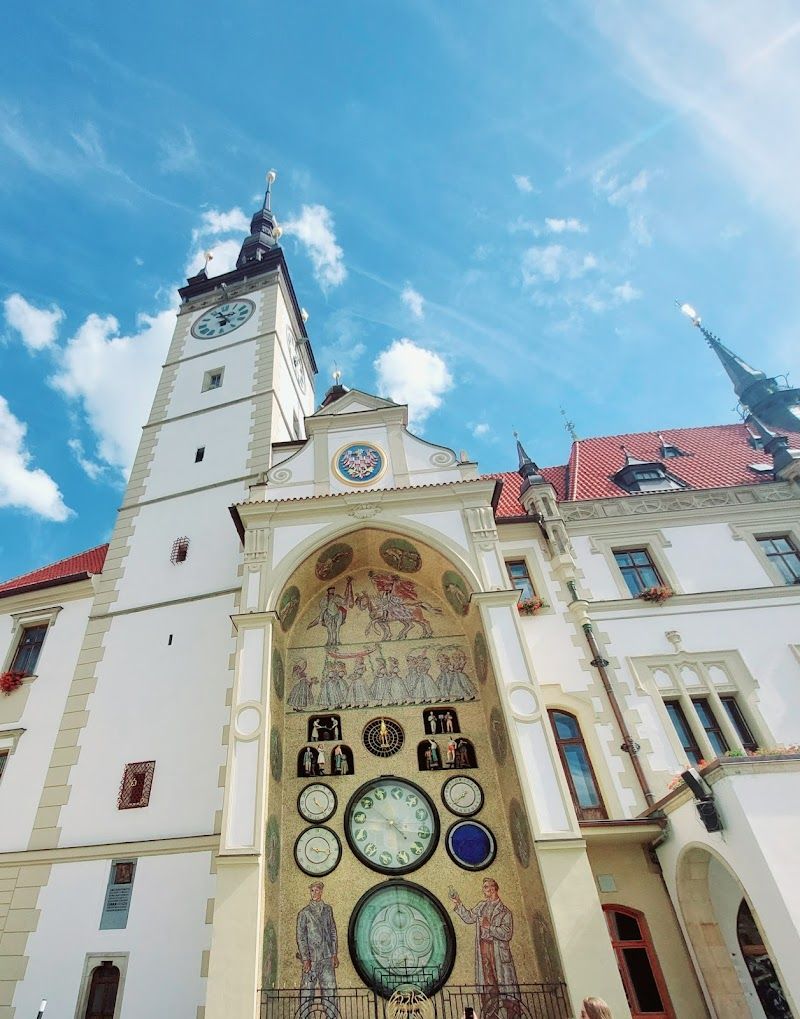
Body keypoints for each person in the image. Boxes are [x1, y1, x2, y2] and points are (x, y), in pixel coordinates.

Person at [450, 878, 519, 1019]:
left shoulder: (505, 911)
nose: (486, 889)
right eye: (484, 887)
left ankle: (512, 1014)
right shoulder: (482, 906)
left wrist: (490, 927)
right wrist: (458, 902)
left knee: (504, 985)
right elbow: (469, 917)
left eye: (488, 886)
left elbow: (507, 933)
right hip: (484, 950)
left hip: (498, 952)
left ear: (494, 888)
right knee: (488, 984)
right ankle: (490, 1015)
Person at [296, 882, 339, 1012]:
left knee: (330, 991)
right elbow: (301, 937)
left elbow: (333, 931)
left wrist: (334, 954)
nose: (314, 893)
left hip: (326, 958)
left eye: (317, 890)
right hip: (311, 959)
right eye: (312, 891)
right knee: (307, 993)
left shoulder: (328, 909)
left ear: (321, 892)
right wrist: (305, 959)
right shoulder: (304, 913)